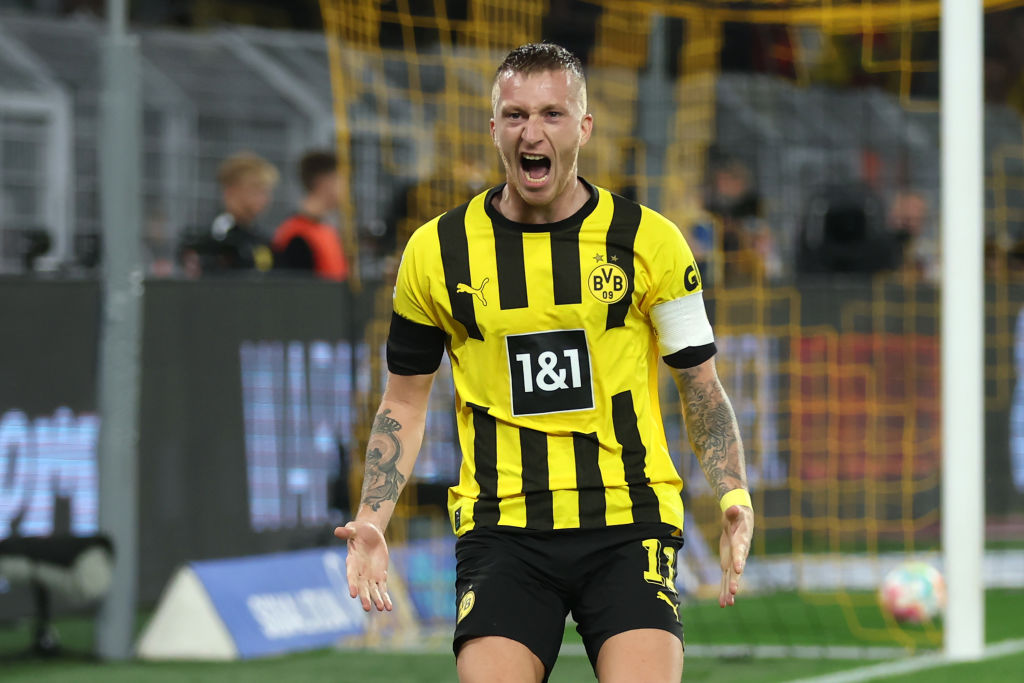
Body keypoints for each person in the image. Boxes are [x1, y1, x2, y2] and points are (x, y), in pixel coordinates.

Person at [335, 43, 753, 683]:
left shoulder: (651, 242)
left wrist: (732, 492)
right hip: (502, 529)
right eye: (516, 114)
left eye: (553, 114)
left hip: (628, 517)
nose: (533, 131)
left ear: (583, 127)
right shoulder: (435, 253)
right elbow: (405, 400)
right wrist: (371, 519)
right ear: (494, 128)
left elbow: (700, 386)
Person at [179, 152, 278, 276]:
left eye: (266, 191)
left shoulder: (264, 240)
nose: (265, 198)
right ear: (230, 191)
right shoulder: (212, 239)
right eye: (256, 189)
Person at [272, 150, 349, 282]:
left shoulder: (326, 230)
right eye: (342, 180)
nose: (346, 189)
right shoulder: (296, 235)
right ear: (324, 182)